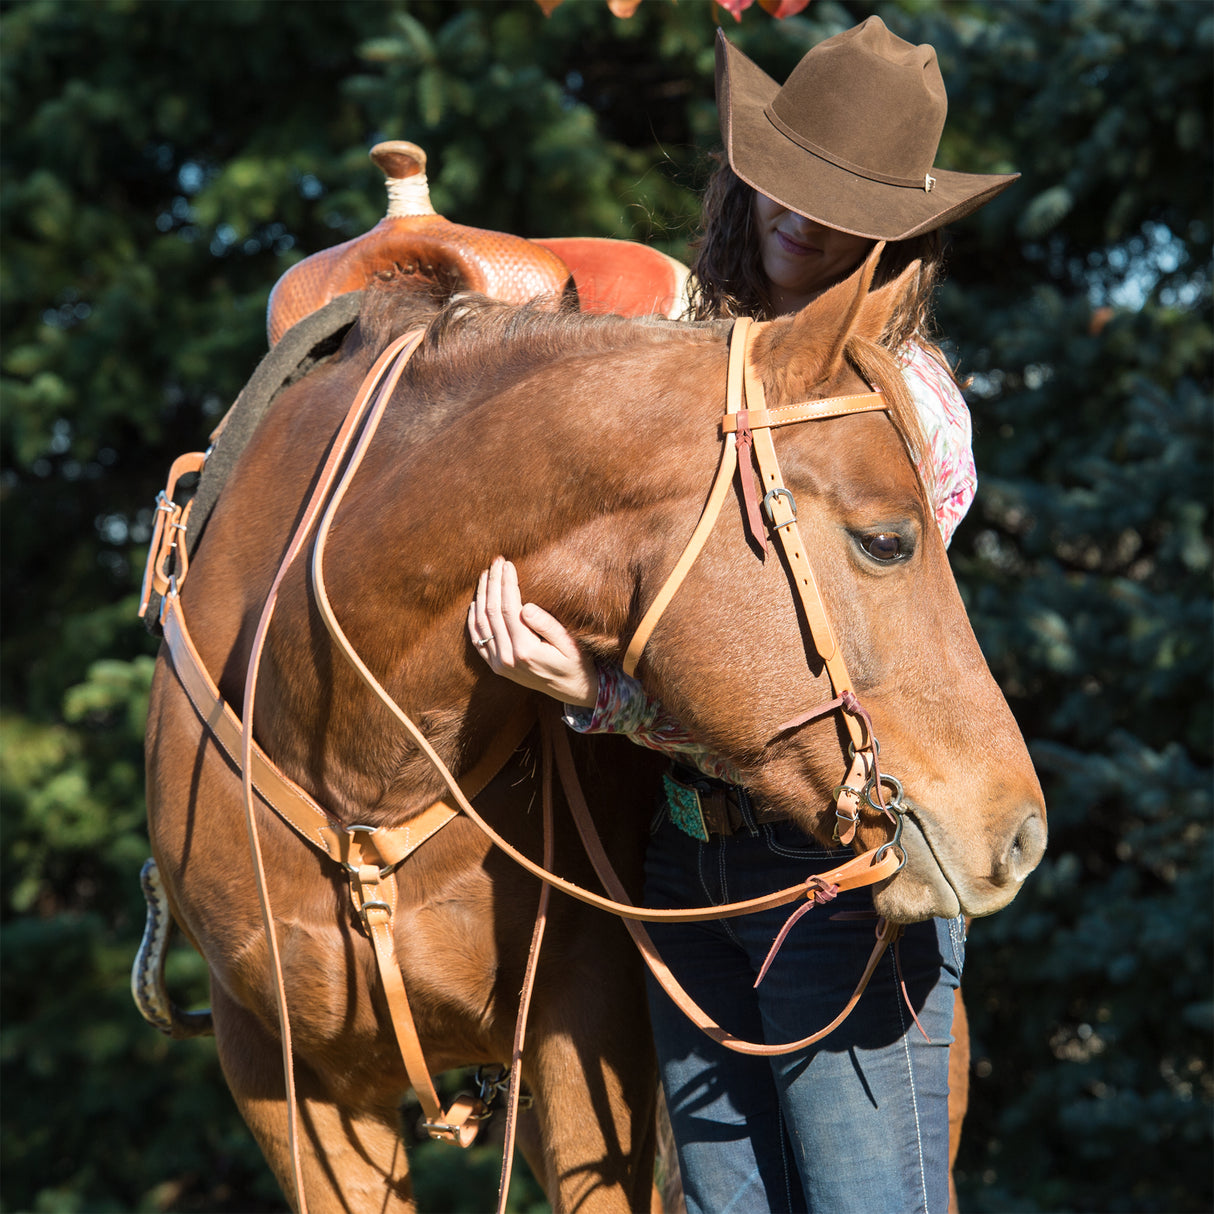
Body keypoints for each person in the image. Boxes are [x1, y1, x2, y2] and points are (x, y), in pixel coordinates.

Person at [468, 18, 1016, 1214]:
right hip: (681, 864)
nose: (804, 220)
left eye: (845, 206)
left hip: (830, 869)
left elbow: (810, 672)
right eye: (789, 180)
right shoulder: (679, 357)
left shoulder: (898, 405)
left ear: (894, 239)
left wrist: (595, 695)